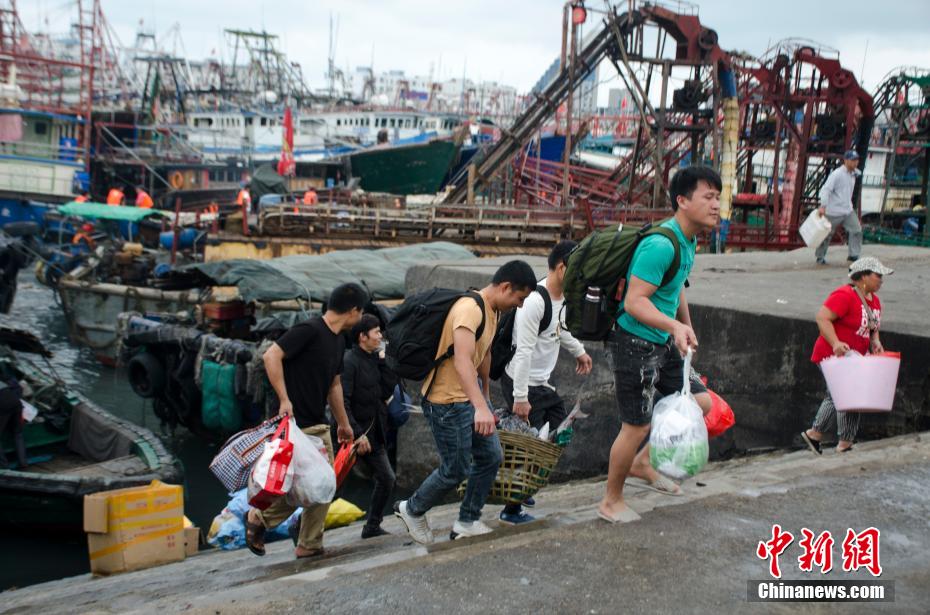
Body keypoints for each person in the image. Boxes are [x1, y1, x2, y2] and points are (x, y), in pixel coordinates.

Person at [597, 166, 720, 524]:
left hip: (664, 339)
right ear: (682, 201)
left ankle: (643, 463)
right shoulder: (660, 244)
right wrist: (672, 326)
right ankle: (611, 500)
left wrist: (685, 327)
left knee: (701, 401)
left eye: (717, 197)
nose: (716, 205)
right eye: (707, 197)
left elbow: (676, 284)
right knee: (635, 425)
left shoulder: (690, 239)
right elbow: (635, 301)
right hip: (634, 341)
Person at [394, 260, 537, 543]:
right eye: (519, 298)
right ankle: (411, 509)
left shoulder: (493, 310)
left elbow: (483, 355)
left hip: (467, 400)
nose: (520, 306)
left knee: (491, 456)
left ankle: (467, 521)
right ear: (506, 287)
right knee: (455, 468)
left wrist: (485, 396)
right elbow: (461, 361)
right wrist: (480, 407)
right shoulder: (469, 309)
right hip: (445, 402)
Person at [245, 282, 366, 559]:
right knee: (313, 485)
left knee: (323, 485)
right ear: (354, 310)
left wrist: (344, 424)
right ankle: (260, 519)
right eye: (362, 313)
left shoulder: (338, 341)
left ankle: (308, 543)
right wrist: (284, 399)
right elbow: (271, 355)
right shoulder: (310, 330)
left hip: (318, 422)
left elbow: (334, 385)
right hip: (294, 424)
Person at [498, 240, 592, 524]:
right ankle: (511, 509)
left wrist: (579, 351)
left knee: (559, 430)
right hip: (522, 381)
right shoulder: (535, 301)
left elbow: (559, 329)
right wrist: (520, 397)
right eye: (578, 271)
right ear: (562, 268)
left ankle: (521, 483)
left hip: (542, 384)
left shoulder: (560, 298)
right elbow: (524, 350)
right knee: (531, 447)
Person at [802, 257, 892, 455]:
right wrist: (835, 343)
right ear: (863, 277)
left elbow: (872, 327)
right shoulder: (844, 295)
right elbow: (822, 318)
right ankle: (817, 434)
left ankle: (843, 441)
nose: (881, 279)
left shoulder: (874, 301)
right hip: (831, 355)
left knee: (851, 395)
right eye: (878, 275)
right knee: (839, 393)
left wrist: (875, 341)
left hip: (854, 358)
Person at [340, 314, 398, 539]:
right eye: (376, 333)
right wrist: (354, 433)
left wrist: (384, 362)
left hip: (374, 434)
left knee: (387, 478)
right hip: (350, 435)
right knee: (332, 485)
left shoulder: (374, 360)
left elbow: (385, 391)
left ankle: (372, 525)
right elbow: (342, 400)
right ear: (363, 336)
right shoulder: (349, 362)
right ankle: (302, 526)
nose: (380, 337)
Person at [815, 150, 863, 265]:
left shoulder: (853, 173)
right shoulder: (837, 174)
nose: (855, 163)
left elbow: (858, 172)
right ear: (845, 161)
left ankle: (853, 255)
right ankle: (820, 256)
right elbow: (826, 189)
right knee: (826, 234)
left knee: (856, 230)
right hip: (833, 211)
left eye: (856, 160)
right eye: (853, 160)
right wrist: (823, 206)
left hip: (847, 209)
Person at [0, 375, 27, 469]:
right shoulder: (3, 381)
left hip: (3, 406)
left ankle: (4, 467)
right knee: (18, 433)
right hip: (16, 403)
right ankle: (23, 463)